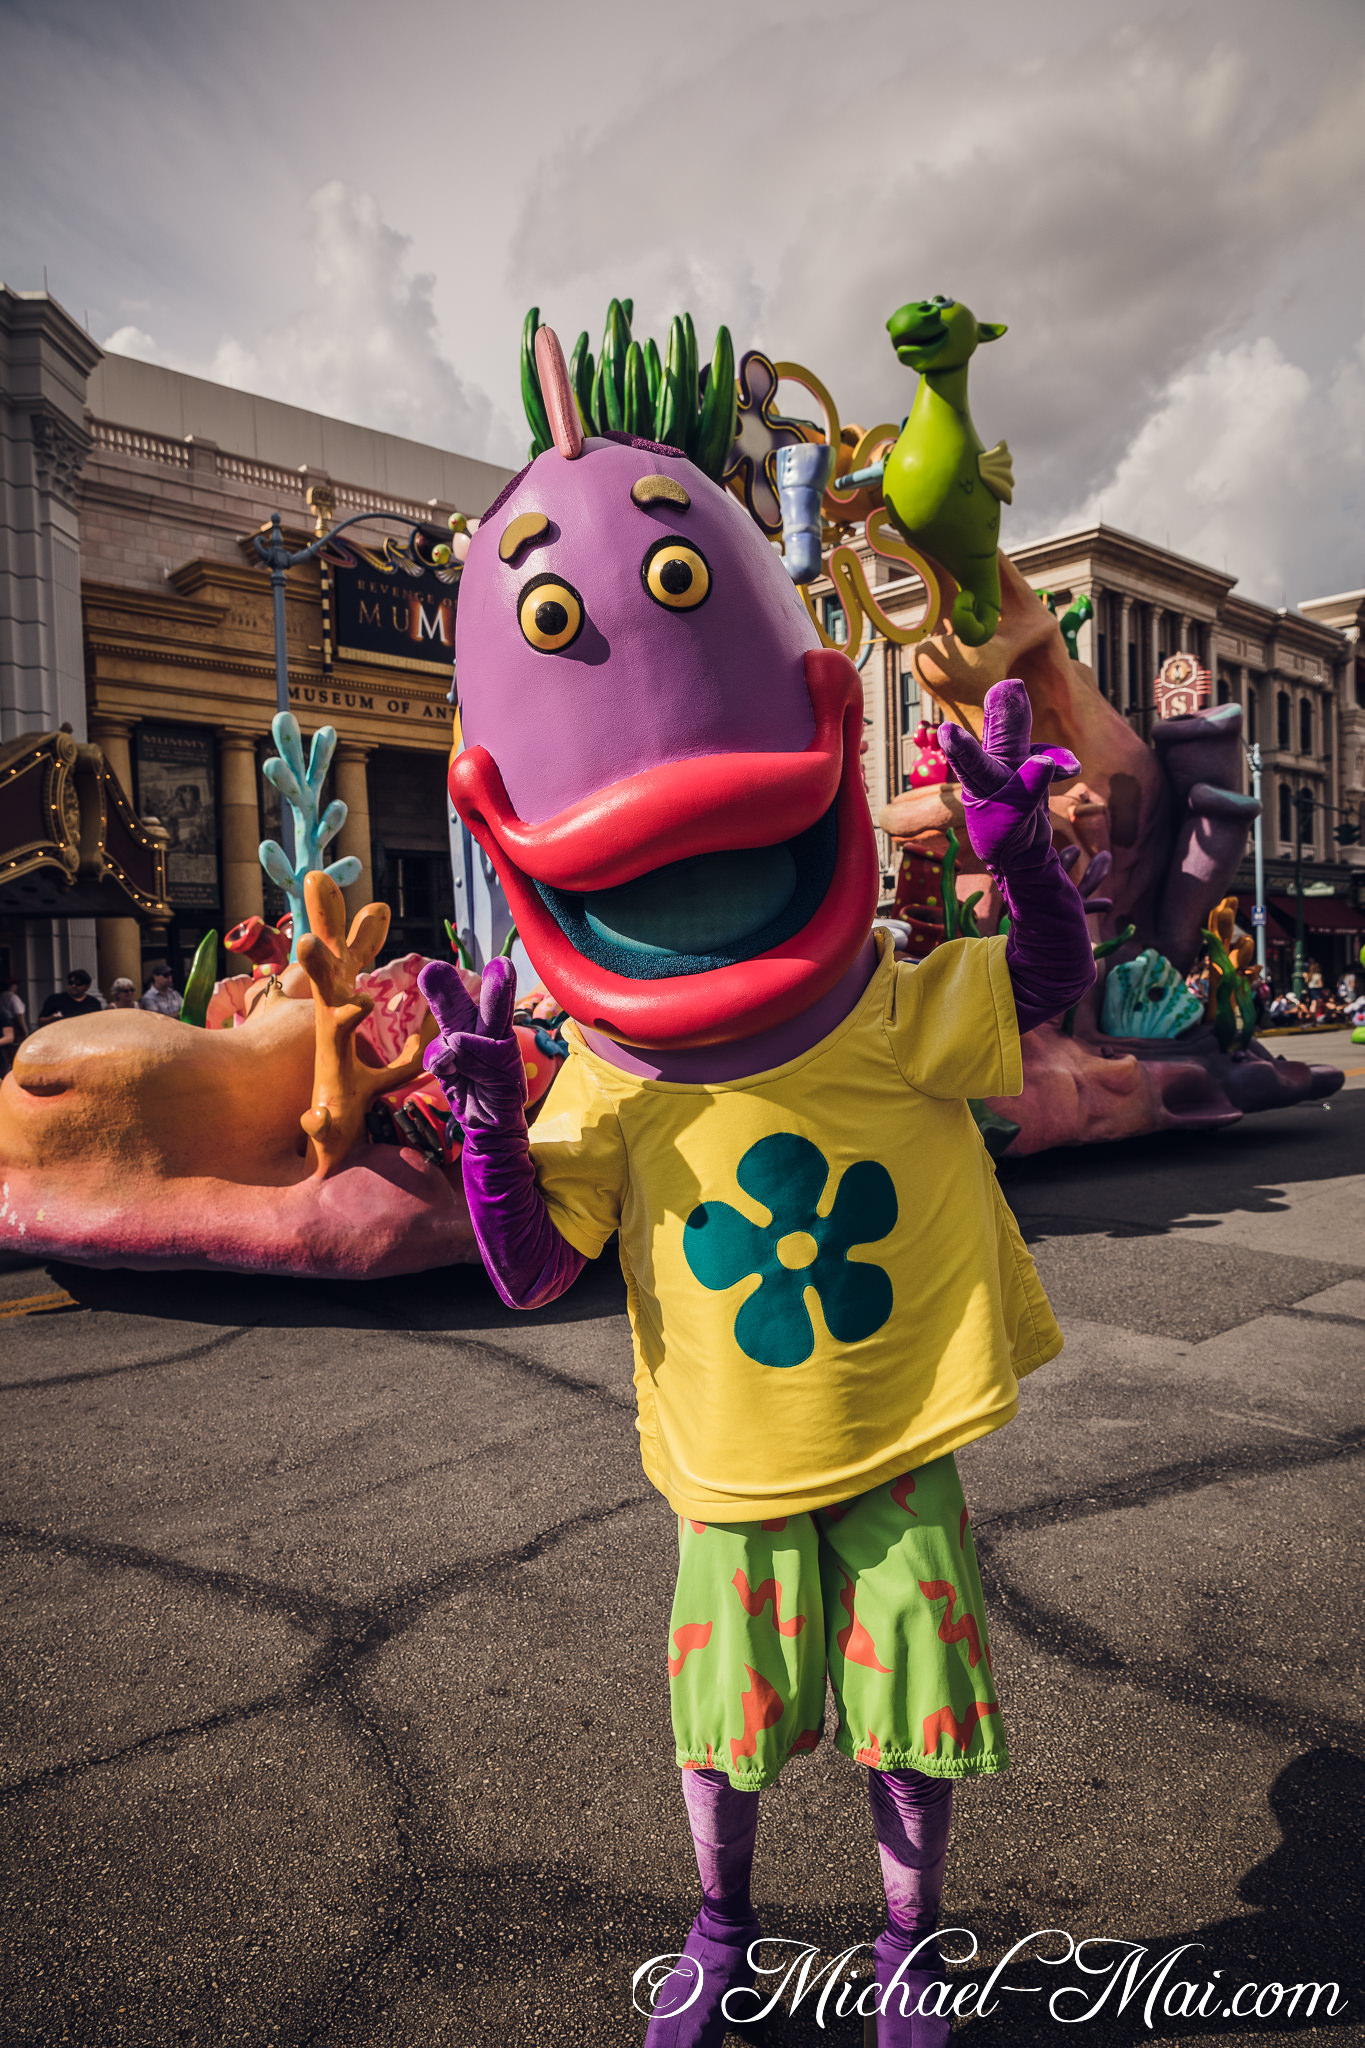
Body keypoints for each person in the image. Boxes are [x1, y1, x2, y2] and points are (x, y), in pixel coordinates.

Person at [417, 395, 1095, 2048]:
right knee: (724, 1723)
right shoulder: (605, 1075)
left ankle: (906, 1947)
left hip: (893, 1433)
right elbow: (528, 1266)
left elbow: (1052, 996)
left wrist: (1019, 848)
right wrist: (494, 1113)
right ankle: (721, 1927)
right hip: (730, 1466)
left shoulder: (877, 1005)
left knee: (907, 1717)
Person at [38, 968, 103, 1021]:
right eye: (71, 983)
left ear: (87, 986)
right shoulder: (55, 999)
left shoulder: (93, 1003)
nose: (73, 986)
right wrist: (52, 1018)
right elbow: (40, 1021)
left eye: (78, 983)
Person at [0, 975, 25, 1077]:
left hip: (8, 1026)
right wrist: (25, 1029)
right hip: (13, 1023)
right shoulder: (12, 997)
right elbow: (19, 1014)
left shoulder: (3, 996)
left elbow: (9, 1037)